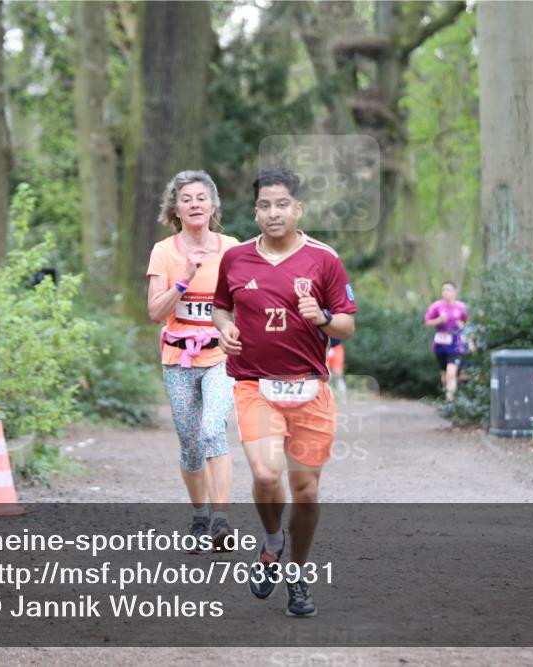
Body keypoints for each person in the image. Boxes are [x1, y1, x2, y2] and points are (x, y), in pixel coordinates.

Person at [212, 166, 356, 617]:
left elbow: (347, 326)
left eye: (281, 204)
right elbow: (221, 307)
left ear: (298, 209)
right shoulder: (236, 259)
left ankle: (296, 572)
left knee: (307, 493)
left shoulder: (324, 259)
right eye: (264, 206)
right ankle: (273, 541)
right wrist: (224, 329)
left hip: (309, 388)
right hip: (254, 384)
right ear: (255, 212)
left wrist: (323, 318)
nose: (273, 213)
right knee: (266, 474)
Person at [146, 170, 240, 553]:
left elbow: (246, 300)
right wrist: (184, 278)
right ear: (175, 209)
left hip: (221, 356)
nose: (195, 204)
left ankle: (221, 521)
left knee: (212, 429)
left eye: (202, 198)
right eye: (186, 199)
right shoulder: (164, 252)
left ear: (213, 205)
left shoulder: (232, 249)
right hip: (179, 359)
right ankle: (200, 516)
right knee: (190, 445)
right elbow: (155, 312)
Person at [424, 280, 469, 402]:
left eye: (448, 289)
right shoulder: (436, 306)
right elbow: (427, 322)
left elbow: (469, 322)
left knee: (451, 373)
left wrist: (463, 325)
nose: (445, 292)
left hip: (456, 345)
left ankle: (450, 403)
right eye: (443, 290)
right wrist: (439, 320)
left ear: (455, 292)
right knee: (445, 375)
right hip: (440, 345)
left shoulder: (461, 307)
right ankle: (449, 395)